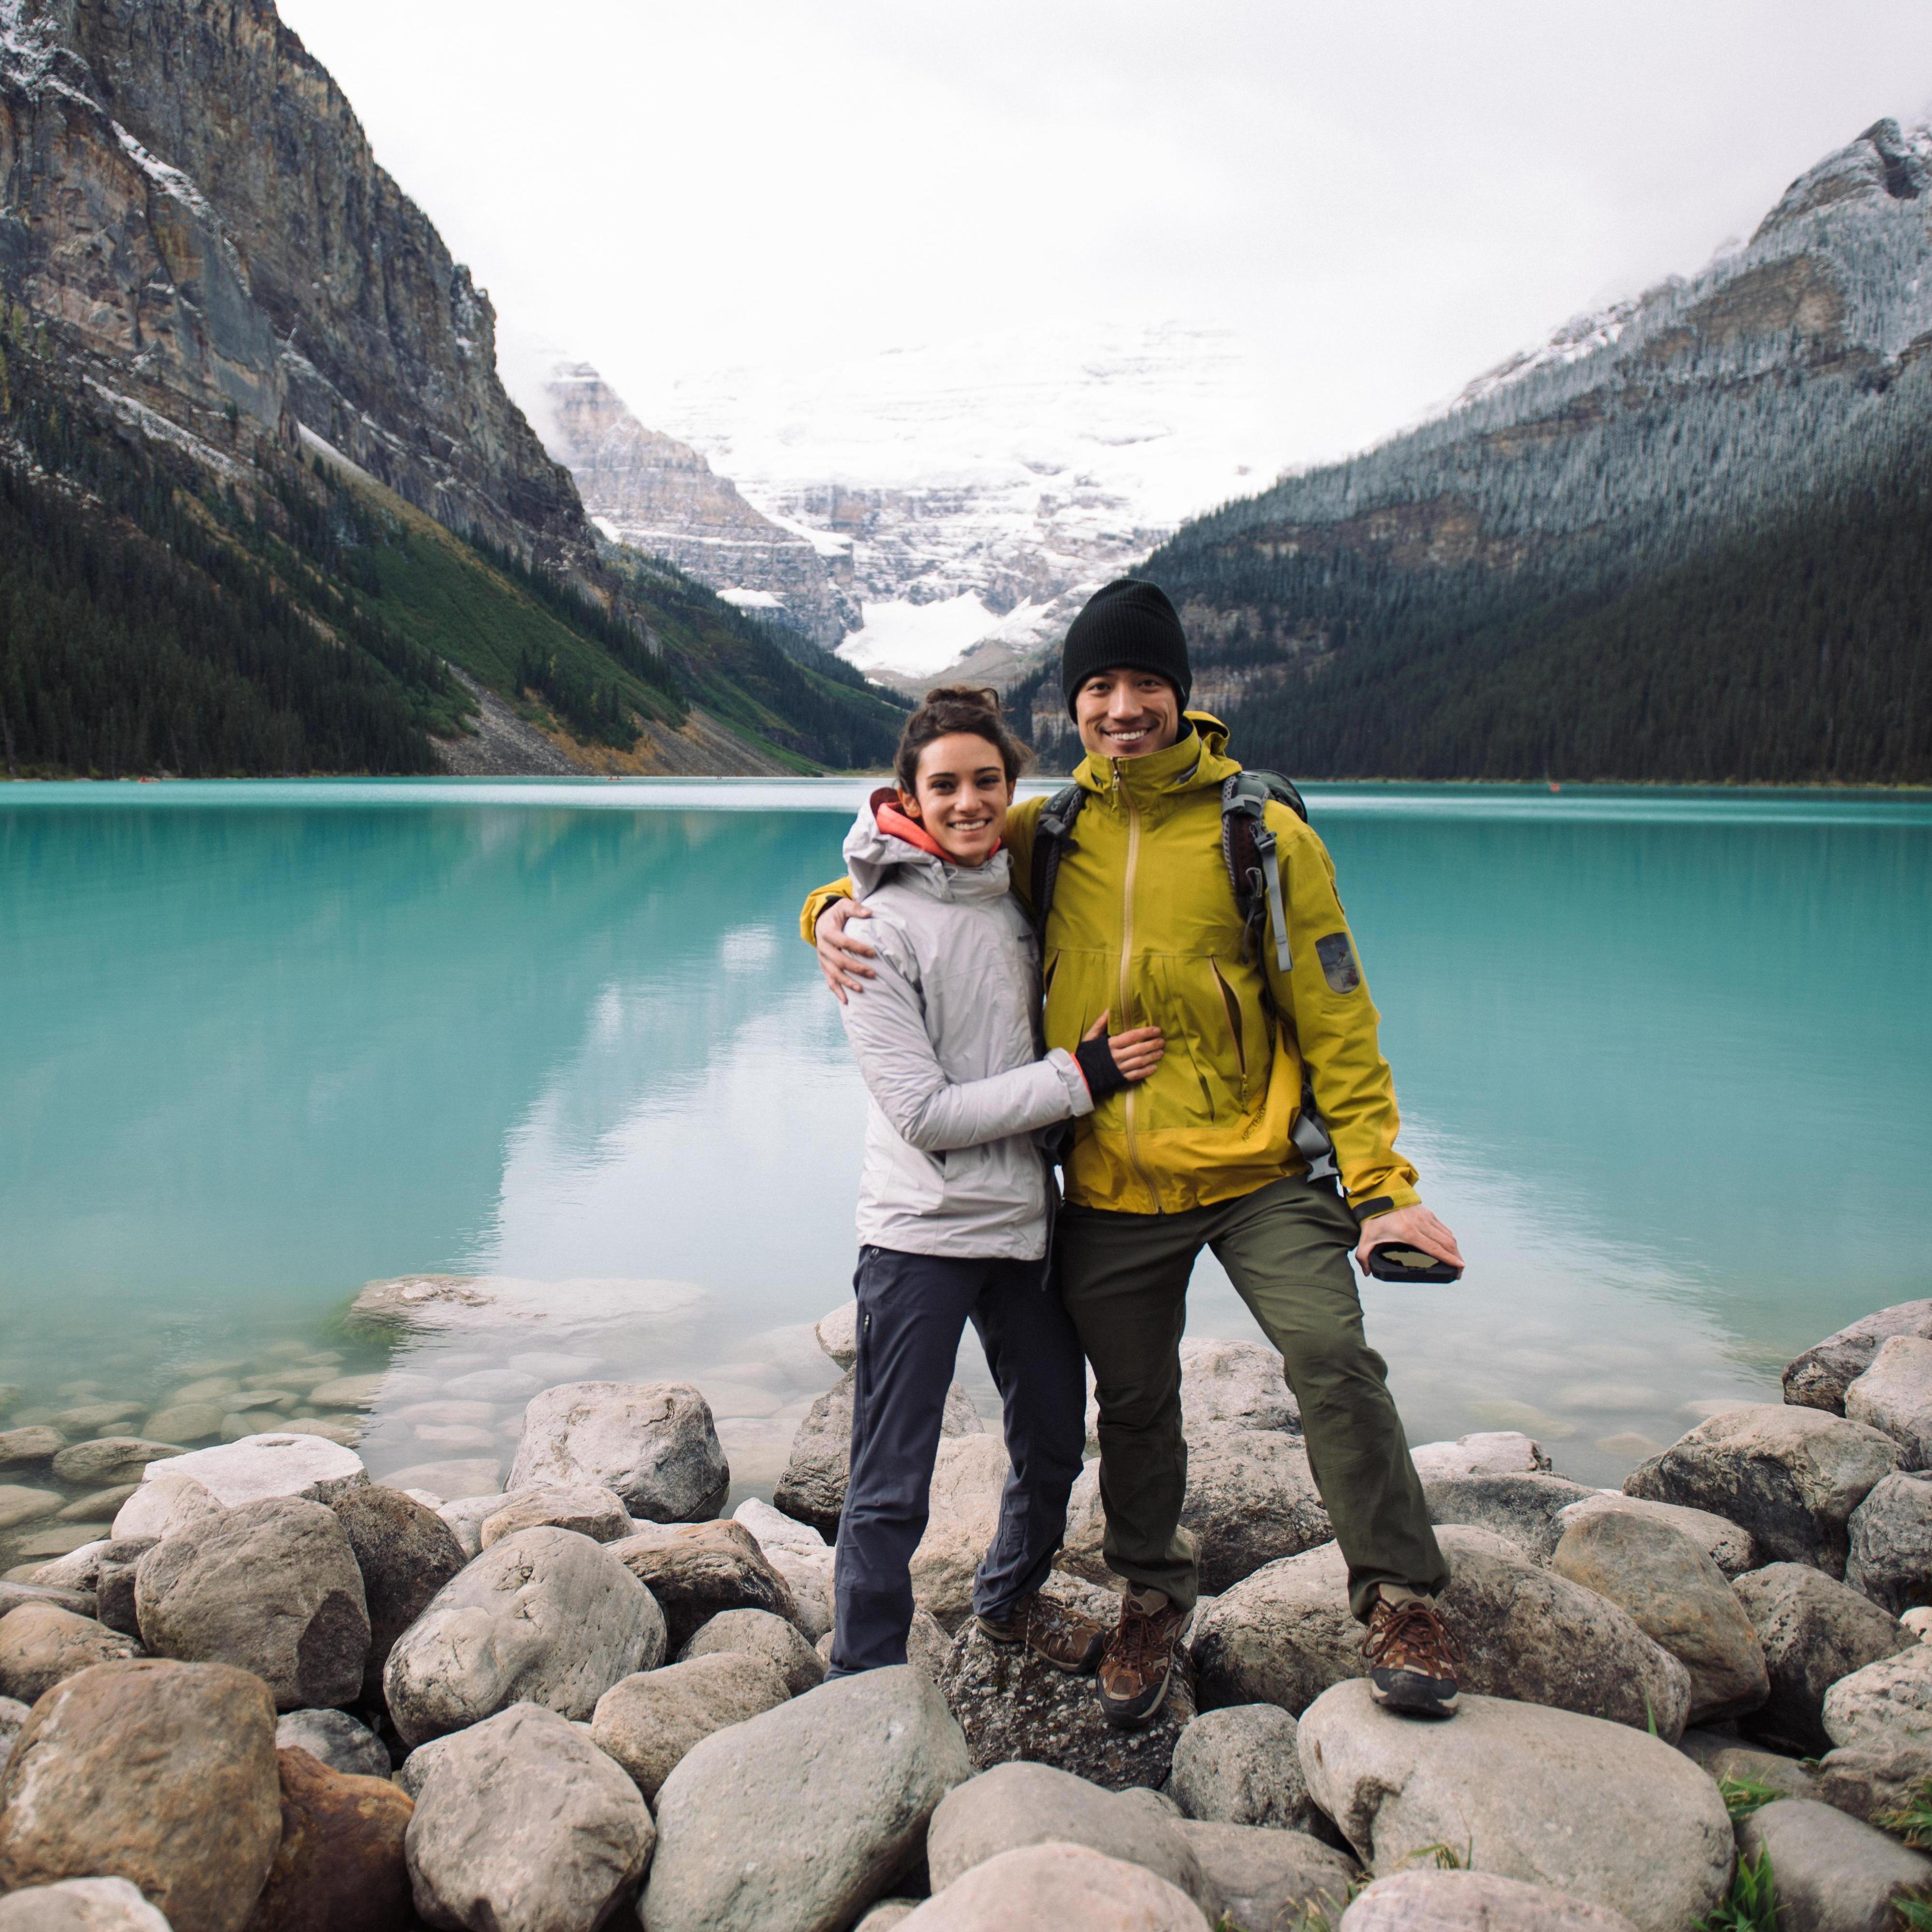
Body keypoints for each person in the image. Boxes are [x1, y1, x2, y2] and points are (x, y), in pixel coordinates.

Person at [807, 580, 1467, 1724]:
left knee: (1331, 1358)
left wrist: (1381, 1191)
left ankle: (1401, 1596)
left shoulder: (1260, 831)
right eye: (1098, 688)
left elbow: (1338, 1022)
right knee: (1133, 1402)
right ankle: (1151, 1600)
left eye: (1142, 684)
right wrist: (824, 909)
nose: (1120, 708)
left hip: (1259, 1172)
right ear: (1074, 707)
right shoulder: (1043, 830)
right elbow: (917, 862)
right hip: (1110, 1183)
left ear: (1179, 695)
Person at [825, 683, 1166, 1679]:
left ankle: (1008, 1598)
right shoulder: (874, 931)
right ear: (907, 796)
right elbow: (923, 1112)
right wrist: (1080, 1078)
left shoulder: (1017, 898)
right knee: (890, 1479)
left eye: (986, 781)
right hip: (919, 1238)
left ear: (1010, 787)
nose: (967, 801)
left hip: (1022, 1226)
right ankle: (864, 1674)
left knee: (1056, 1433)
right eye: (944, 785)